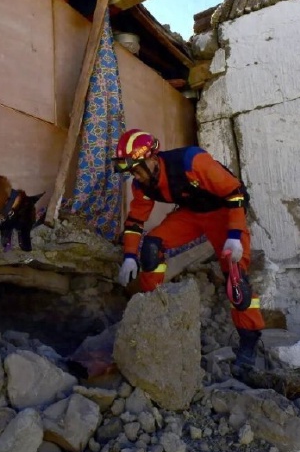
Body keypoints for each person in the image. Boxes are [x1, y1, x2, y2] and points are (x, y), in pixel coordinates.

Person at [112, 129, 265, 374]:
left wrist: (234, 235)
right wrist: (130, 256)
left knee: (237, 282)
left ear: (153, 158)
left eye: (137, 167)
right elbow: (135, 221)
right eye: (130, 171)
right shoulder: (142, 184)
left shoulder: (191, 161)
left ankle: (249, 342)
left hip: (225, 212)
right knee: (151, 246)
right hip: (191, 215)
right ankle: (153, 312)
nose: (135, 175)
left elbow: (234, 192)